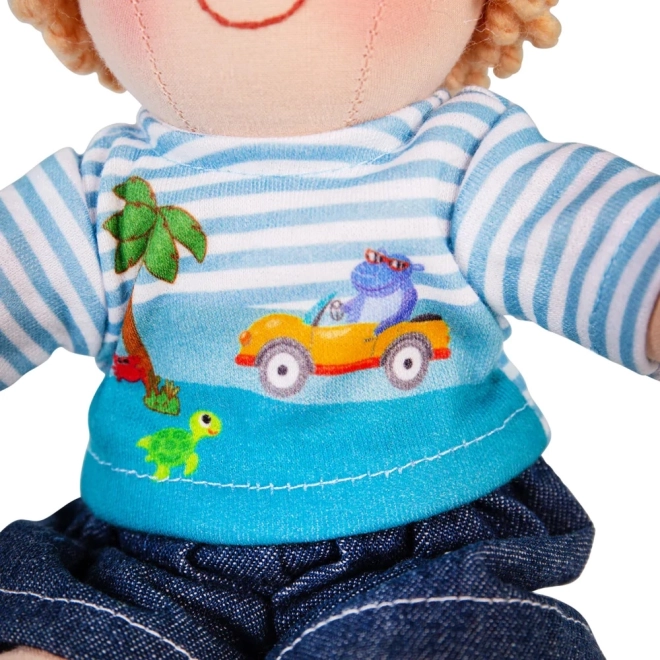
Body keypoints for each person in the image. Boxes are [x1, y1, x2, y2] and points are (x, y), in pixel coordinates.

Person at [1, 1, 658, 658]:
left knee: (439, 636)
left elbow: (578, 223)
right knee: (54, 622)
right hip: (146, 558)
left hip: (424, 544)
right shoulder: (110, 192)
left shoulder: (461, 157)